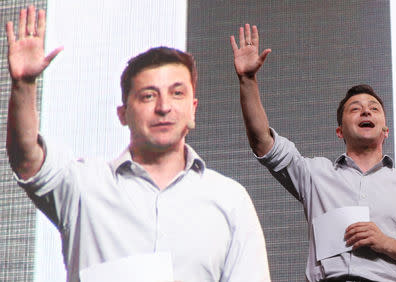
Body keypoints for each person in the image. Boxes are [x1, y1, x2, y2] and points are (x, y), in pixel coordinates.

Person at [5, 6, 271, 282]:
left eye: (177, 93)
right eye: (147, 96)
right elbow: (27, 159)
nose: (164, 107)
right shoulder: (84, 186)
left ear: (193, 109)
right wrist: (24, 85)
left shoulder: (229, 200)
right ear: (123, 114)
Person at [230, 23, 396, 282]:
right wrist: (247, 80)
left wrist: (384, 242)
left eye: (374, 109)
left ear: (385, 131)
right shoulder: (314, 174)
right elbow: (263, 142)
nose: (366, 111)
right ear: (340, 131)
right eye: (355, 109)